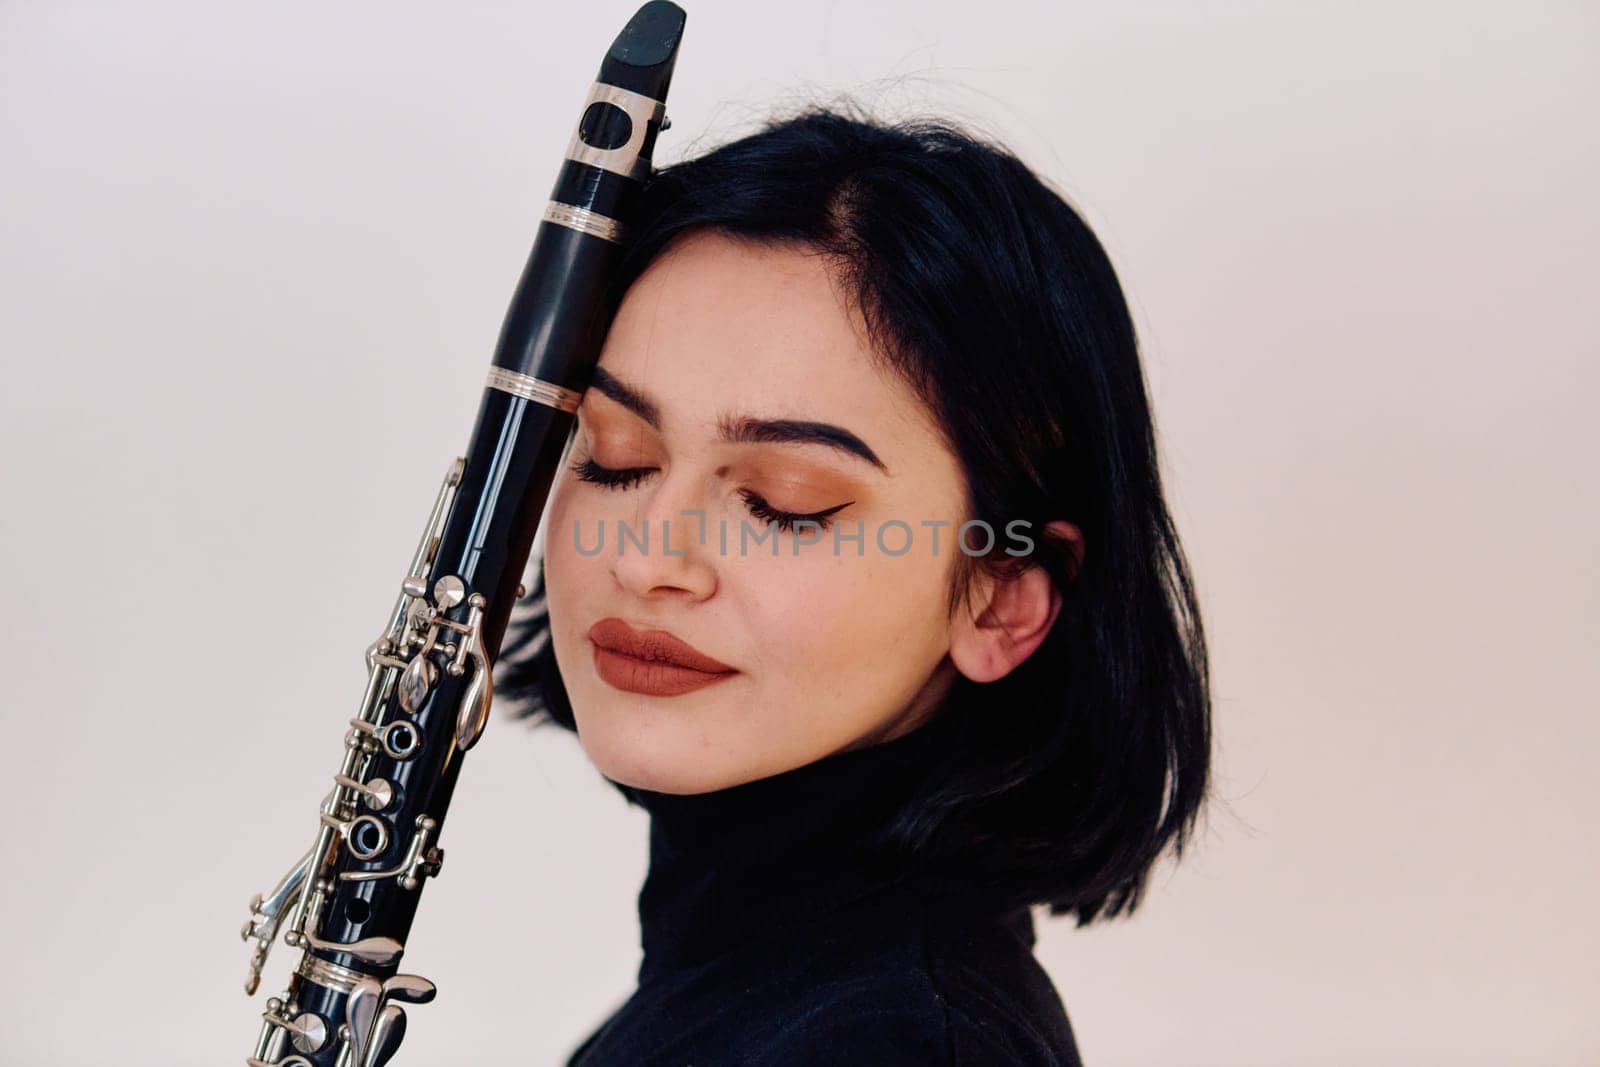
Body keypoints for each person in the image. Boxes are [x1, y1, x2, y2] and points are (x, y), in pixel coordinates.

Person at [496, 100, 1212, 1066]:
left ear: (1002, 596)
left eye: (786, 503)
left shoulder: (902, 1043)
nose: (644, 557)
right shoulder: (758, 986)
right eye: (618, 459)